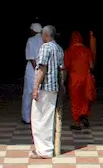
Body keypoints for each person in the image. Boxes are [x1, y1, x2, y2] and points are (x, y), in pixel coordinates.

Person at [30, 25, 64, 159]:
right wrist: (62, 86)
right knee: (48, 119)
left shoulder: (46, 47)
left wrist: (35, 88)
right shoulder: (59, 48)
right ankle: (48, 148)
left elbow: (42, 68)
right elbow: (62, 70)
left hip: (44, 88)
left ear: (45, 36)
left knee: (38, 119)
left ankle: (43, 151)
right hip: (54, 88)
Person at [64, 31, 95, 130]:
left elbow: (65, 67)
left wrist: (63, 81)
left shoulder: (69, 51)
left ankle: (77, 123)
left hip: (74, 80)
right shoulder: (87, 50)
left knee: (75, 100)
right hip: (86, 78)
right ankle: (84, 115)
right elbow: (91, 66)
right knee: (85, 98)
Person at [22, 22, 43, 124]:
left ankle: (27, 117)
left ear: (33, 31)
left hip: (32, 71)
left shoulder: (31, 40)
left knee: (28, 93)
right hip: (43, 70)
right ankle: (38, 118)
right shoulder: (44, 40)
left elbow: (31, 58)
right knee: (41, 94)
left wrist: (36, 70)